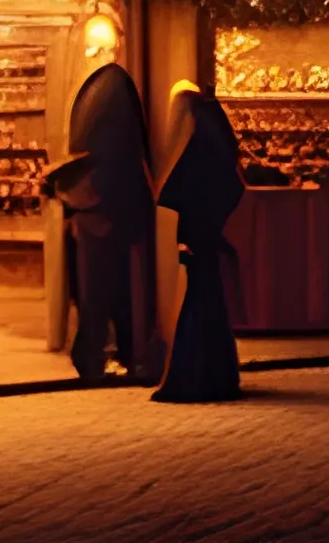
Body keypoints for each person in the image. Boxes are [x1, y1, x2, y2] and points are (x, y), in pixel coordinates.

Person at [48, 60, 157, 383]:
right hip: (109, 216)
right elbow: (123, 161)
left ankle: (99, 356)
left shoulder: (97, 103)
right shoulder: (115, 106)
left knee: (96, 293)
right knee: (111, 291)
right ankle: (104, 356)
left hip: (94, 218)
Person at [154, 82, 244, 404]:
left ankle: (192, 377)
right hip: (207, 235)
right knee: (209, 303)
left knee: (196, 304)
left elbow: (176, 194)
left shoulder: (193, 152)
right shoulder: (214, 149)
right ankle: (214, 375)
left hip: (196, 237)